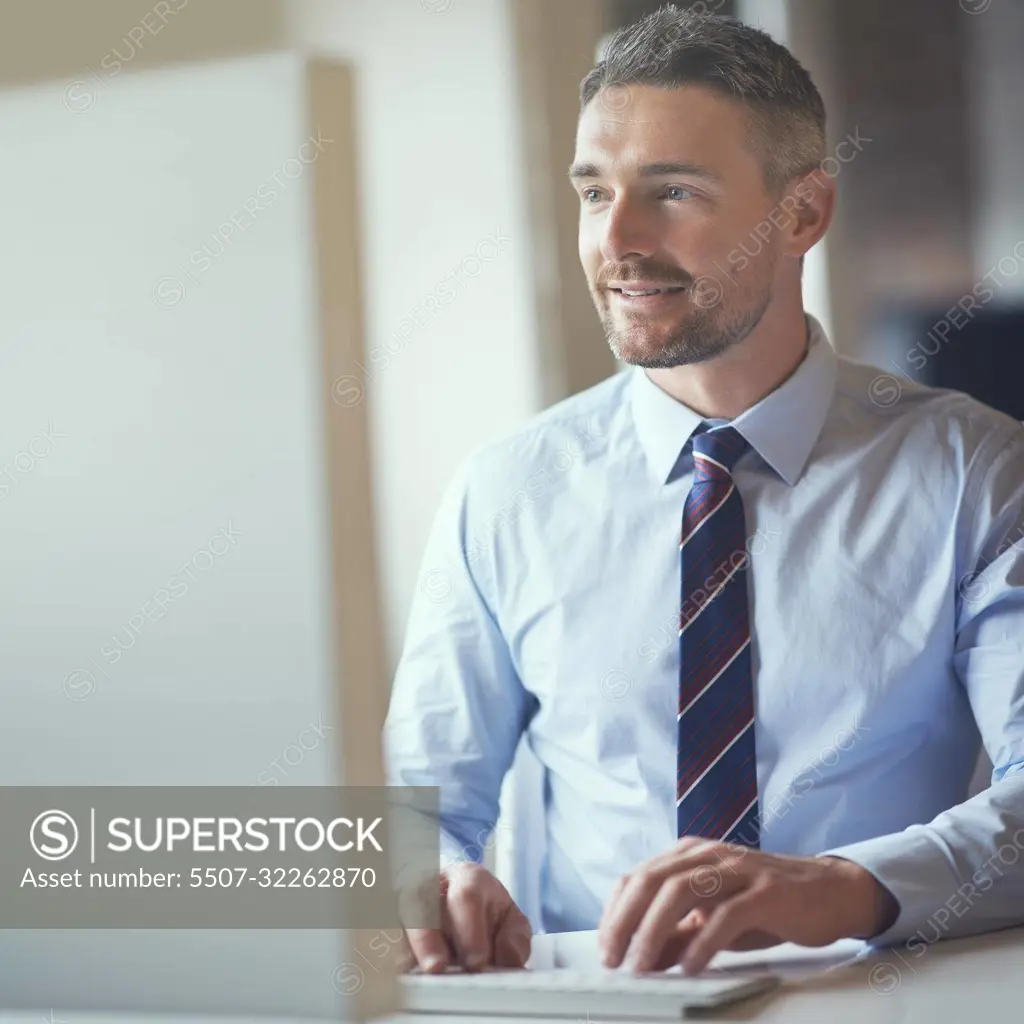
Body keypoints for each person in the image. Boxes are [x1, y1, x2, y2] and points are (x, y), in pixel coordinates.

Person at [384, 5, 1024, 977]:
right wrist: (431, 878)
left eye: (671, 192)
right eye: (594, 193)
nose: (618, 240)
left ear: (802, 212)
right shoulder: (504, 492)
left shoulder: (974, 473)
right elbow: (416, 803)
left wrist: (837, 886)